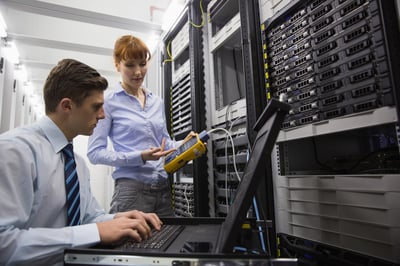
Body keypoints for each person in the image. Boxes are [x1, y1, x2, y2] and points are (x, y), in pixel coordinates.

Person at [0, 58, 162, 266]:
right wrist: (96, 231)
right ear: (67, 106)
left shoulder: (76, 162)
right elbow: (4, 243)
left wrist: (117, 220)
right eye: (96, 107)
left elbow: (88, 218)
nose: (103, 115)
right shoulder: (15, 151)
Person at [87, 35, 193, 216]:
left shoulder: (156, 102)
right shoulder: (109, 102)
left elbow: (164, 144)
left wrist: (185, 145)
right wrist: (140, 156)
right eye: (130, 65)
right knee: (130, 245)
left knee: (168, 243)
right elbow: (95, 153)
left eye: (143, 64)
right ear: (117, 65)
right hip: (131, 192)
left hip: (163, 188)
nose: (138, 72)